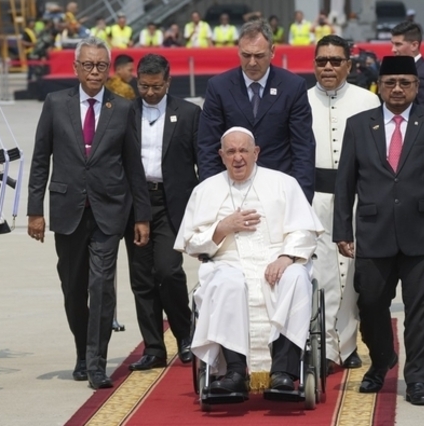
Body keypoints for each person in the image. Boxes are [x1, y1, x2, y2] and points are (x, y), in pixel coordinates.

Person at [27, 36, 151, 390]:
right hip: (67, 209)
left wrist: (141, 215)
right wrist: (35, 211)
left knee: (102, 287)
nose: (94, 72)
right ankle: (82, 351)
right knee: (73, 287)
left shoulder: (123, 108)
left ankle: (96, 363)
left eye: (100, 66)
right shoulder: (55, 103)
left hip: (109, 210)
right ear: (76, 67)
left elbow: (133, 165)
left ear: (108, 68)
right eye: (88, 65)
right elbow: (40, 161)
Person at [175, 126, 323, 392]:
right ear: (221, 155)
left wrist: (286, 257)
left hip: (276, 258)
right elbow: (191, 243)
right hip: (227, 261)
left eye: (244, 150)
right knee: (226, 283)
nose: (237, 157)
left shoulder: (283, 183)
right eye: (230, 151)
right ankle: (233, 372)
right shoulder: (206, 189)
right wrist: (223, 227)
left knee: (296, 277)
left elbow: (304, 230)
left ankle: (283, 373)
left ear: (256, 152)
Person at [334, 56, 424, 405]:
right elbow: (345, 182)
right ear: (380, 85)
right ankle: (382, 360)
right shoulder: (359, 125)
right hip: (372, 231)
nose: (398, 89)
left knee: (419, 312)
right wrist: (342, 229)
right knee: (370, 304)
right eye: (391, 83)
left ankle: (416, 377)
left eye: (405, 82)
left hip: (419, 233)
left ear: (416, 85)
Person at [307, 35, 381, 373]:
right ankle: (321, 345)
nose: (328, 67)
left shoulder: (368, 101)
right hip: (313, 199)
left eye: (336, 61)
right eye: (322, 61)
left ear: (349, 65)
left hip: (355, 200)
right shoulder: (301, 100)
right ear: (314, 64)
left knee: (352, 277)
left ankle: (348, 344)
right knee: (319, 275)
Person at [124, 54, 200, 371]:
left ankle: (185, 337)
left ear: (168, 82)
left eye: (156, 86)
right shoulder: (126, 113)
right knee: (142, 279)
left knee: (168, 271)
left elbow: (203, 161)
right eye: (144, 86)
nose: (150, 93)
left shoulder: (189, 113)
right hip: (135, 204)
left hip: (172, 203)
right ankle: (154, 347)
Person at [197, 19, 315, 202]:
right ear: (238, 50)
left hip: (279, 191)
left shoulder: (293, 87)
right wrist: (212, 195)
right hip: (231, 192)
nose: (252, 62)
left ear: (273, 51)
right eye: (246, 55)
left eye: (259, 56)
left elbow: (303, 148)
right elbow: (208, 146)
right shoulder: (218, 87)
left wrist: (301, 198)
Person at [390, 22, 424, 104]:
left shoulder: (421, 74)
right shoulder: (394, 70)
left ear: (414, 45)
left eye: (398, 44)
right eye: (393, 44)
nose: (393, 50)